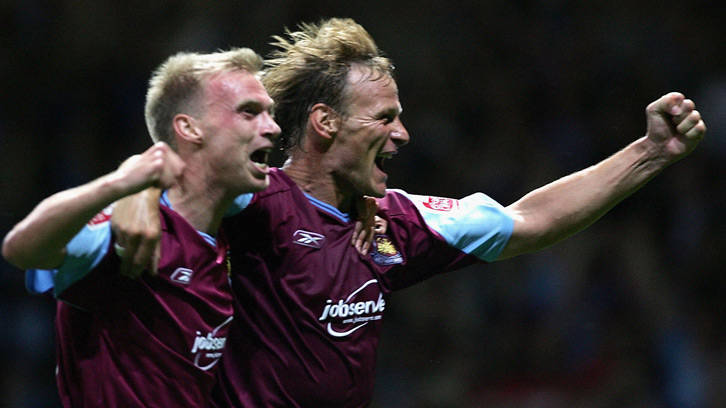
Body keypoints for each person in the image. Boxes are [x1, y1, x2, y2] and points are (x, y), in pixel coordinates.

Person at [111, 18, 706, 407]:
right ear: (326, 123)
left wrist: (651, 153)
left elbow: (527, 222)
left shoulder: (392, 222)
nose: (403, 134)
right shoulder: (255, 203)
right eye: (385, 117)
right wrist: (138, 195)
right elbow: (185, 156)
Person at [1, 48, 281, 407]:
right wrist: (121, 184)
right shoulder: (131, 231)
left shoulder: (232, 220)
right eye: (250, 112)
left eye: (269, 113)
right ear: (189, 127)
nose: (272, 127)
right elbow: (20, 247)